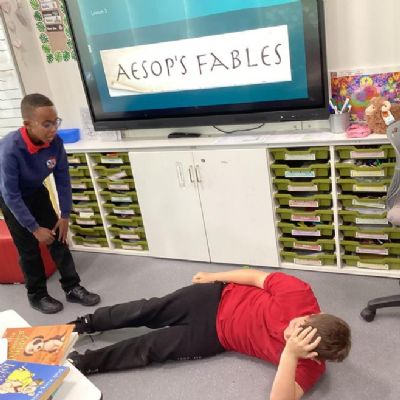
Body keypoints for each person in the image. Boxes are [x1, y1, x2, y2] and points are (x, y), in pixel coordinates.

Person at [67, 269, 351, 399]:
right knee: (148, 310)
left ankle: (84, 363)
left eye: (295, 340)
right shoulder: (299, 293)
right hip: (214, 298)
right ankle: (88, 322)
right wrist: (214, 277)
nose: (288, 332)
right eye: (296, 326)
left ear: (313, 355)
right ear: (312, 315)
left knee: (152, 348)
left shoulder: (310, 365)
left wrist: (290, 354)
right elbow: (255, 277)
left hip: (217, 337)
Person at [0, 93, 100, 314]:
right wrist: (34, 228)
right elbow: (11, 195)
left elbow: (63, 178)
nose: (53, 129)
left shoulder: (55, 143)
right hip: (10, 196)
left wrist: (65, 215)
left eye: (56, 122)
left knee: (58, 238)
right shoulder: (10, 149)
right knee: (29, 248)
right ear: (28, 125)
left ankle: (72, 287)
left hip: (36, 190)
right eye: (46, 124)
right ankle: (37, 295)